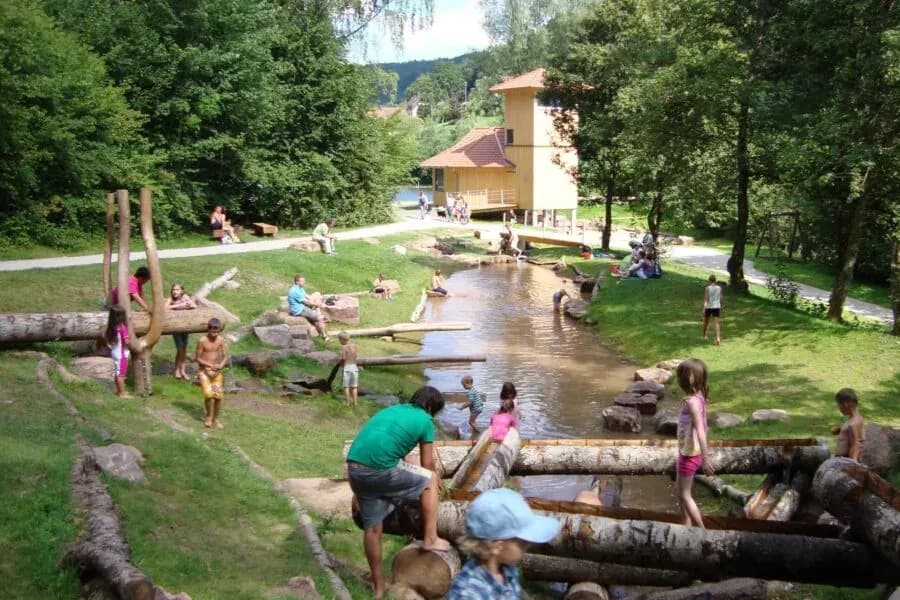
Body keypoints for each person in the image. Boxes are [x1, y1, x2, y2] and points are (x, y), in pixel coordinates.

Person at [346, 386, 451, 599]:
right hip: (379, 470)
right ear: (430, 407)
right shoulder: (425, 420)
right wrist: (436, 478)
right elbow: (428, 464)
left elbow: (391, 446)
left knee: (373, 529)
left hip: (355, 470)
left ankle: (378, 586)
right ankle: (431, 538)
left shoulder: (394, 410)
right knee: (430, 480)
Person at [447, 487, 560, 599]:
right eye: (522, 543)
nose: (528, 545)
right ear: (497, 547)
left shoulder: (505, 568)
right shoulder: (469, 593)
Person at [675, 358, 714, 527]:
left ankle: (702, 531)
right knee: (680, 492)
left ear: (688, 381)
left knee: (685, 495)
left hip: (690, 454)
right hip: (686, 451)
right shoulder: (697, 397)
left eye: (679, 377)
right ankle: (686, 526)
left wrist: (706, 459)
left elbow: (700, 430)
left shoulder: (692, 403)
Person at [195, 318, 229, 429]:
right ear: (208, 329)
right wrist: (209, 365)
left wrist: (221, 365)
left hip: (216, 371)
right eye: (213, 332)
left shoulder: (221, 340)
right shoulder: (202, 341)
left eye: (217, 332)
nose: (215, 334)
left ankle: (215, 419)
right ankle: (209, 417)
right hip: (204, 371)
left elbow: (225, 356)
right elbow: (198, 358)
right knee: (208, 394)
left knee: (218, 396)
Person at [165, 282, 196, 380]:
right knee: (180, 349)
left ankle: (181, 370)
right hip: (176, 327)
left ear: (182, 291)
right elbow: (165, 307)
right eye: (173, 290)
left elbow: (194, 306)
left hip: (185, 326)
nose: (175, 292)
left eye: (177, 290)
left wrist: (187, 305)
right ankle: (178, 370)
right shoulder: (171, 299)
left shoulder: (185, 297)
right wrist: (179, 305)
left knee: (184, 349)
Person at [288, 275, 330, 341]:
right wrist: (317, 304)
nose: (304, 282)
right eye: (302, 281)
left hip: (303, 305)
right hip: (300, 310)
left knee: (317, 294)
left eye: (304, 281)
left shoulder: (300, 288)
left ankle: (317, 311)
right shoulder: (295, 291)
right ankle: (324, 336)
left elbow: (308, 297)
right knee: (319, 318)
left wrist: (315, 301)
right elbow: (307, 303)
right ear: (297, 282)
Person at [832, 388, 865, 461]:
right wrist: (841, 430)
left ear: (845, 404)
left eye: (839, 405)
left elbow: (855, 446)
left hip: (844, 460)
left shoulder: (852, 424)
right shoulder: (858, 418)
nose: (839, 409)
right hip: (843, 459)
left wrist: (852, 464)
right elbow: (860, 437)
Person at [105, 305, 130, 398]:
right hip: (121, 354)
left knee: (117, 372)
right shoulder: (122, 327)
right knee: (121, 374)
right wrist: (131, 342)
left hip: (115, 351)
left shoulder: (112, 327)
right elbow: (126, 341)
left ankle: (119, 391)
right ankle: (122, 393)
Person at [338, 331, 359, 406]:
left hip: (347, 368)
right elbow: (355, 356)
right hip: (355, 368)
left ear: (342, 339)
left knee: (346, 386)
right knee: (354, 386)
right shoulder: (355, 346)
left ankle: (347, 402)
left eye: (339, 340)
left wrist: (340, 363)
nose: (340, 342)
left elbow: (343, 358)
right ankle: (355, 402)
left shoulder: (344, 347)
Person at [702, 275, 723, 345]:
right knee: (716, 323)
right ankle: (718, 338)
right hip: (716, 306)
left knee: (706, 322)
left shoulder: (707, 288)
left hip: (709, 307)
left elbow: (706, 299)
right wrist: (720, 305)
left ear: (709, 280)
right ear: (715, 281)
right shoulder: (719, 288)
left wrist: (704, 308)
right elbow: (721, 298)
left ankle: (704, 336)